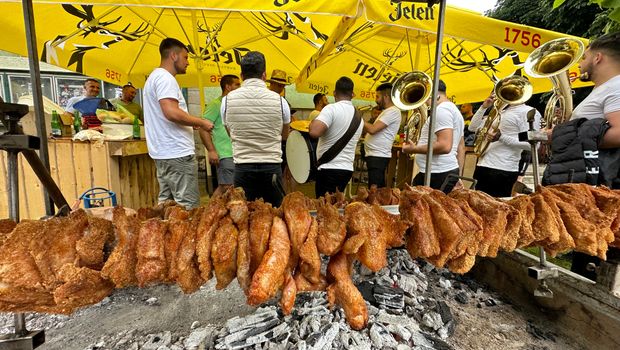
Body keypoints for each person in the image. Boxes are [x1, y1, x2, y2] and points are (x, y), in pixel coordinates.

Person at [544, 32, 620, 280]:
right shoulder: (604, 89)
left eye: (584, 57)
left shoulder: (617, 86)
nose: (579, 62)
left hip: (600, 184)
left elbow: (618, 133)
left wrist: (564, 136)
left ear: (598, 58)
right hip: (588, 181)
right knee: (582, 253)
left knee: (590, 259)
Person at [143, 38, 214, 209]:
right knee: (187, 208)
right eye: (185, 57)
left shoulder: (154, 77)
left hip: (164, 152)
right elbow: (171, 112)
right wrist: (201, 122)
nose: (188, 62)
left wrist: (189, 122)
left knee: (166, 207)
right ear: (173, 56)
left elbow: (170, 112)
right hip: (176, 153)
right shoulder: (165, 78)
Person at [221, 52, 290, 207]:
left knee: (244, 220)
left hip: (242, 169)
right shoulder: (281, 102)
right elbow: (284, 136)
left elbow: (231, 133)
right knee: (275, 218)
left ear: (241, 75)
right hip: (271, 168)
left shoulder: (226, 102)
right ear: (264, 75)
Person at [468, 89, 541, 197]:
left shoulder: (527, 111)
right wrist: (484, 107)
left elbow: (533, 145)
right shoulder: (500, 111)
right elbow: (473, 127)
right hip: (483, 165)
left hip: (503, 168)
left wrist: (501, 137)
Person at [402, 79, 464, 193]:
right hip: (442, 171)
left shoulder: (442, 111)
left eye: (425, 96)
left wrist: (414, 149)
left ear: (433, 94)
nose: (424, 101)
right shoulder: (453, 110)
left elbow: (445, 146)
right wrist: (458, 175)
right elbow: (460, 146)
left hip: (437, 173)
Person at [309, 76, 364, 197]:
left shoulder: (331, 109)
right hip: (347, 169)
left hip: (328, 169)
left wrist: (313, 122)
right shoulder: (359, 117)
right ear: (353, 94)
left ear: (334, 93)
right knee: (336, 207)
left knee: (324, 209)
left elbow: (314, 132)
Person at [200, 74, 240, 196]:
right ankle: (208, 213)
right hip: (225, 153)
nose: (240, 87)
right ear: (228, 86)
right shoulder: (215, 104)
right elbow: (202, 128)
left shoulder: (235, 104)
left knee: (233, 188)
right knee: (226, 187)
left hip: (237, 153)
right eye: (237, 84)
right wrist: (211, 150)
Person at [363, 83, 402, 188]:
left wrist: (357, 119)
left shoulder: (393, 111)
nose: (376, 100)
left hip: (378, 156)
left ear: (386, 97)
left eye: (377, 96)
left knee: (375, 190)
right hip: (375, 155)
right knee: (376, 188)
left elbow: (373, 129)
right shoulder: (387, 111)